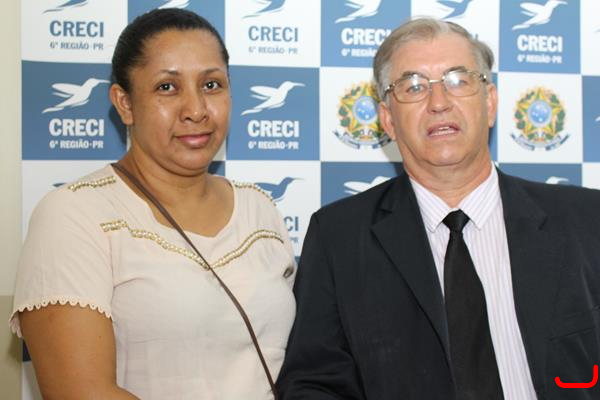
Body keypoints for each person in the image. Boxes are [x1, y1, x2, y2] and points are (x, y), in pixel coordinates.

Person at [277, 17, 600, 400]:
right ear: (388, 120)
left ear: (490, 103)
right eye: (414, 86)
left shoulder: (587, 219)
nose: (439, 102)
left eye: (458, 80)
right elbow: (313, 384)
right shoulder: (339, 238)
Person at [10, 8, 295, 400]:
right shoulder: (74, 215)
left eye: (211, 85)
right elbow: (82, 391)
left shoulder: (259, 207)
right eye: (167, 87)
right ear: (124, 103)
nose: (196, 110)